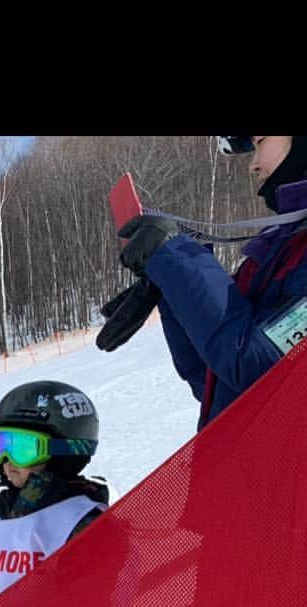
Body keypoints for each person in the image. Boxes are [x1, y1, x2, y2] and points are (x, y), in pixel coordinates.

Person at [101, 135, 307, 429]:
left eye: (259, 142)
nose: (253, 165)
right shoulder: (282, 247)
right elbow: (215, 385)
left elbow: (257, 371)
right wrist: (171, 285)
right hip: (239, 467)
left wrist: (178, 260)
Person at [0, 380, 107, 607]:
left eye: (22, 449)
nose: (9, 460)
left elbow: (101, 606)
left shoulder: (82, 523)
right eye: (2, 445)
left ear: (62, 452)